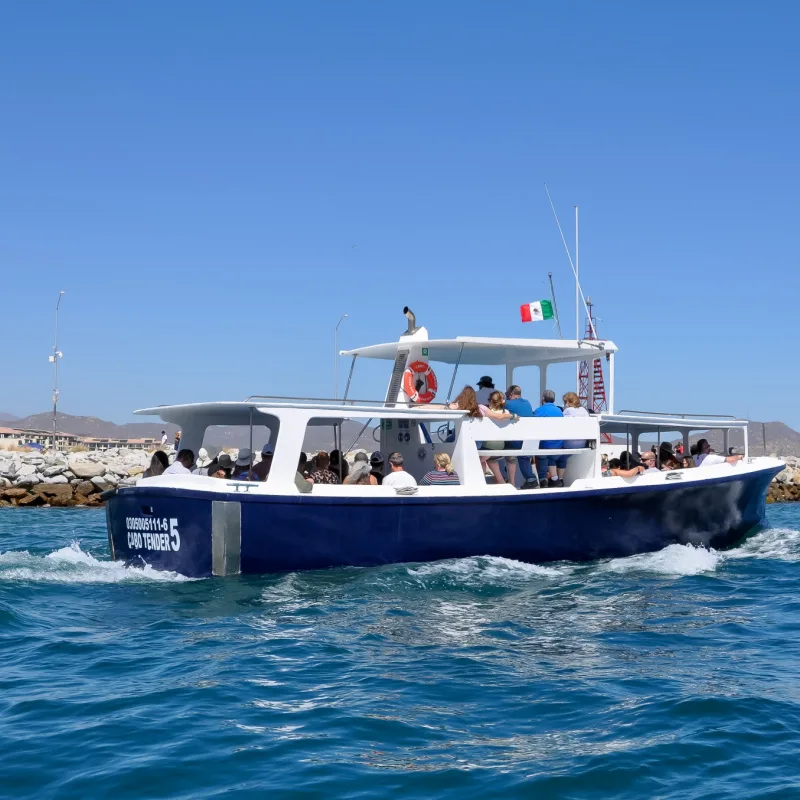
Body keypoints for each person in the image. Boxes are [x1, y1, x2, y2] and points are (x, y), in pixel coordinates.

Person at [480, 390, 518, 485]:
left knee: (480, 458)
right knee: (510, 457)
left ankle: (499, 480)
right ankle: (511, 483)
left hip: (489, 448)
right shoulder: (507, 412)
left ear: (491, 401)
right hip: (502, 445)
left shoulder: (487, 413)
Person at [503, 385, 537, 489]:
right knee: (523, 456)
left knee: (500, 447)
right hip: (531, 439)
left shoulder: (507, 403)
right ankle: (530, 478)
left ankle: (508, 479)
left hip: (519, 441)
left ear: (511, 394)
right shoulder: (527, 403)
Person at [533, 389, 565, 487]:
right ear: (554, 400)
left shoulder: (539, 410)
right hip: (558, 444)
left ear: (543, 398)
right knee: (550, 456)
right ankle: (554, 479)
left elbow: (533, 426)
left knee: (541, 454)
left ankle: (543, 479)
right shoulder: (559, 411)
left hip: (545, 444)